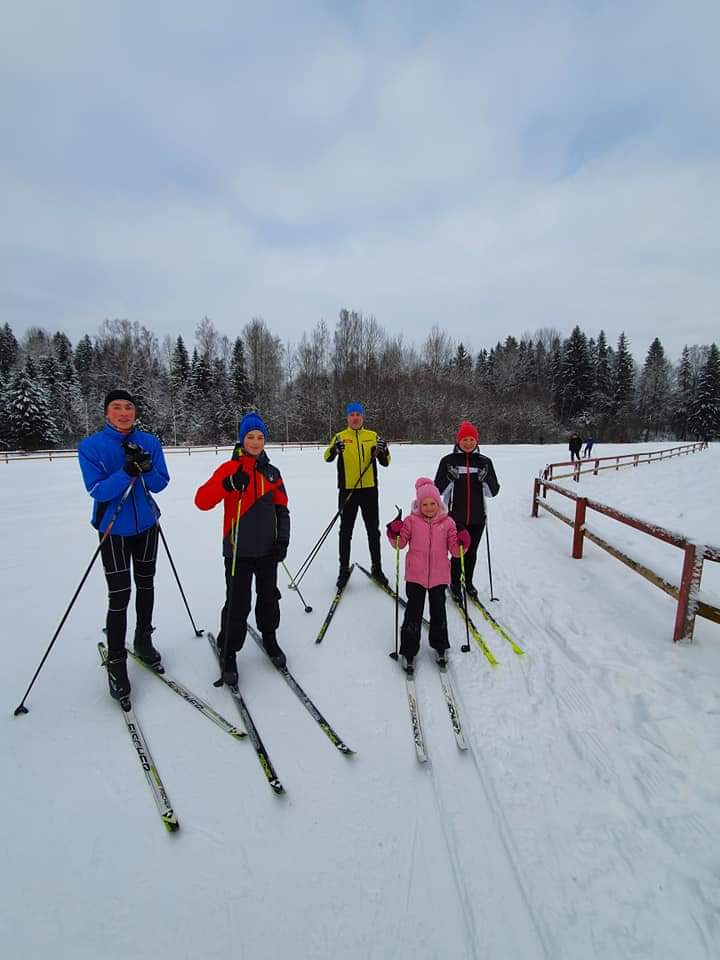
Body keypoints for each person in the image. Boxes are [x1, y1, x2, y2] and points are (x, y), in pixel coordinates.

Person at [78, 389, 170, 703]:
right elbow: (98, 491)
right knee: (119, 595)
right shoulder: (91, 446)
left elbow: (161, 483)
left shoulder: (150, 443)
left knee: (146, 585)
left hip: (146, 525)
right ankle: (116, 662)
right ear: (107, 413)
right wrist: (126, 471)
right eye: (116, 407)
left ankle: (143, 640)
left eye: (128, 407)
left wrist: (146, 467)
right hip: (113, 529)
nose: (123, 412)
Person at [194, 412, 290, 684]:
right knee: (238, 603)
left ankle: (270, 638)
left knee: (269, 597)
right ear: (241, 439)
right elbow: (201, 500)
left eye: (260, 437)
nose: (256, 442)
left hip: (268, 550)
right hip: (238, 551)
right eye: (250, 436)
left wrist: (282, 540)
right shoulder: (229, 469)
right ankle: (229, 651)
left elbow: (282, 510)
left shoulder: (272, 473)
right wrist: (227, 485)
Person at [386, 478, 470, 671]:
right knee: (413, 613)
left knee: (438, 612)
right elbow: (400, 544)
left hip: (440, 577)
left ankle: (440, 646)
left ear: (438, 503)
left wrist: (462, 544)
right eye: (425, 504)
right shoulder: (411, 521)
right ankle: (408, 649)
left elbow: (455, 552)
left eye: (432, 503)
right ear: (418, 504)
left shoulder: (448, 523)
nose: (429, 507)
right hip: (416, 576)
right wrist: (394, 532)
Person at [324, 402, 391, 588]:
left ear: (362, 417)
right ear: (347, 418)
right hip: (348, 491)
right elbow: (327, 457)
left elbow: (386, 462)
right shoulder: (340, 436)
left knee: (373, 531)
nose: (355, 418)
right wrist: (335, 449)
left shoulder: (372, 435)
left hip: (369, 490)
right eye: (352, 414)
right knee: (345, 532)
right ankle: (343, 570)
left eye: (358, 415)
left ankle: (377, 569)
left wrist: (383, 449)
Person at [434, 421, 499, 603]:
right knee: (458, 552)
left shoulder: (485, 462)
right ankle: (454, 583)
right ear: (458, 440)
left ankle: (468, 582)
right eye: (465, 439)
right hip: (456, 517)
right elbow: (437, 489)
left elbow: (493, 491)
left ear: (477, 441)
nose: (468, 443)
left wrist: (485, 479)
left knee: (472, 552)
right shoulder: (448, 461)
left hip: (478, 517)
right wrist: (449, 478)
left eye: (472, 439)